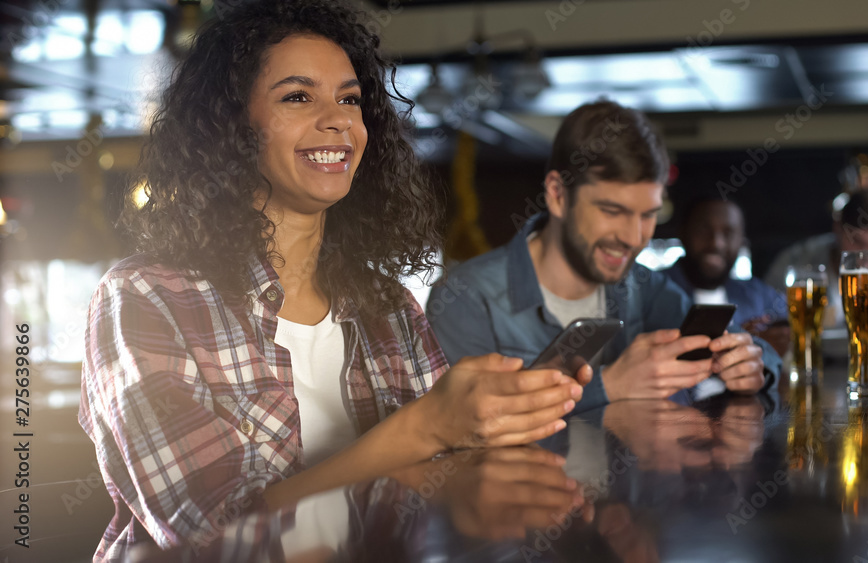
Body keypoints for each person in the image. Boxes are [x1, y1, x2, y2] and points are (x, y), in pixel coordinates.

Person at [78, 1, 587, 558]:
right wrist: (426, 430)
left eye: (350, 99)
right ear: (229, 127)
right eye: (298, 97)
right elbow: (217, 534)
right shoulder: (145, 297)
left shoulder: (388, 305)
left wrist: (502, 428)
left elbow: (446, 480)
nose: (339, 120)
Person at [427, 101, 780, 414]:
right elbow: (457, 431)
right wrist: (610, 385)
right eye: (612, 210)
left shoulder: (643, 286)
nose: (633, 238)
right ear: (557, 195)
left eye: (647, 215)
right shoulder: (465, 298)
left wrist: (751, 366)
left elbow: (762, 352)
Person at [663, 195, 790, 356]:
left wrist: (770, 346)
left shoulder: (758, 295)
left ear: (741, 241)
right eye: (704, 230)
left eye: (728, 233)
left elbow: (795, 329)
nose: (716, 243)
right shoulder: (653, 293)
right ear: (683, 233)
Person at [764, 188, 868, 326]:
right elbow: (766, 321)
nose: (865, 254)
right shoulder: (795, 262)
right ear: (838, 228)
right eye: (857, 241)